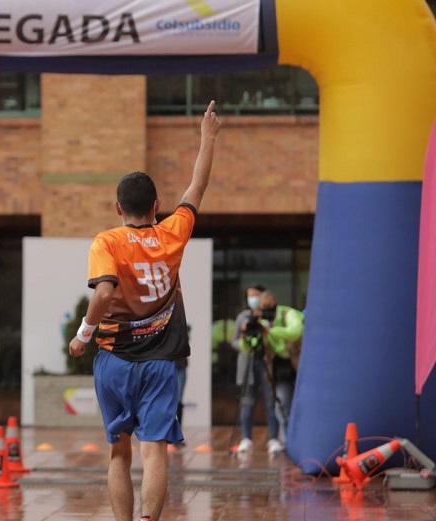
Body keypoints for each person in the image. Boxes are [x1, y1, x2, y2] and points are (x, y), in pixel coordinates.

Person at [69, 100, 222, 521]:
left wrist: (83, 335)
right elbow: (197, 187)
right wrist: (207, 138)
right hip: (159, 364)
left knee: (119, 453)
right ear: (156, 205)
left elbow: (101, 295)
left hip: (114, 361)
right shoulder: (173, 232)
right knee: (155, 451)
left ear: (118, 208)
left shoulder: (107, 242)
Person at [231, 283, 283, 455]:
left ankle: (273, 439)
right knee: (247, 401)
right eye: (249, 295)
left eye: (255, 295)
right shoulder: (243, 317)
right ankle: (246, 438)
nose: (252, 299)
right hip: (248, 363)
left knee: (270, 401)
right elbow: (234, 341)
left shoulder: (270, 315)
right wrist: (244, 341)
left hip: (266, 361)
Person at [256, 290, 304, 447]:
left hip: (300, 365)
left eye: (269, 306)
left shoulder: (288, 314)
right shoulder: (262, 322)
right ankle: (287, 441)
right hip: (278, 368)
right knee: (282, 404)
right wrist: (247, 335)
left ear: (275, 302)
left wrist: (271, 331)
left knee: (301, 404)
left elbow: (295, 332)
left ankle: (299, 439)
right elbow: (249, 346)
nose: (267, 310)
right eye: (263, 307)